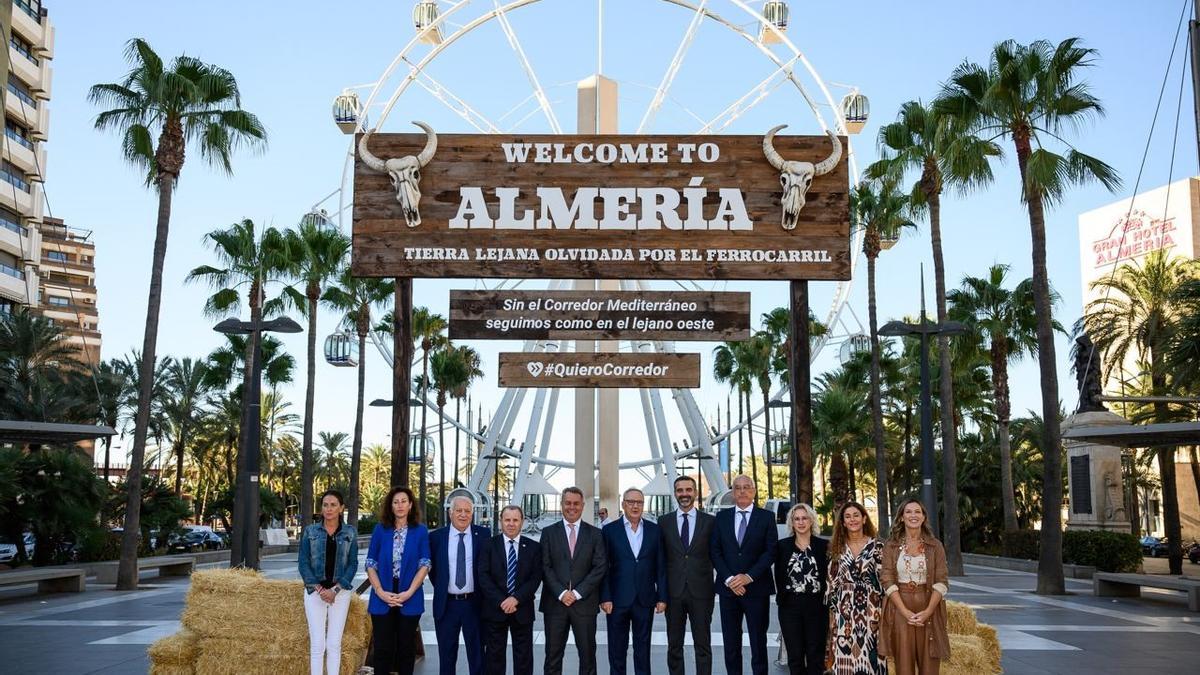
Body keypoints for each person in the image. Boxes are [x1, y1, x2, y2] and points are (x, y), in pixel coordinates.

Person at [710, 475, 777, 675]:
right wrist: (730, 579)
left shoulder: (766, 517)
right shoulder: (721, 518)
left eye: (746, 487)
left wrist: (748, 577)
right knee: (731, 643)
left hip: (757, 589)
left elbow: (771, 551)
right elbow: (715, 551)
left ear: (754, 490)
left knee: (758, 642)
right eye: (737, 488)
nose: (742, 491)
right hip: (728, 590)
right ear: (732, 492)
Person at [540, 486, 608, 675]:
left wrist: (577, 593)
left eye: (576, 503)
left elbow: (600, 567)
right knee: (552, 658)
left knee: (587, 658)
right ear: (562, 504)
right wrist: (562, 593)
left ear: (583, 506)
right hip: (555, 605)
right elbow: (545, 567)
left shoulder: (595, 534)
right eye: (568, 503)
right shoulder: (548, 533)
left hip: (584, 605)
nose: (572, 507)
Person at [599, 487, 667, 675]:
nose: (635, 506)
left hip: (645, 600)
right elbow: (603, 567)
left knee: (643, 650)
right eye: (631, 502)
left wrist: (662, 597)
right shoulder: (610, 531)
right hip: (617, 600)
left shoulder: (654, 530)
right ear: (623, 504)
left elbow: (660, 566)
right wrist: (605, 597)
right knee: (616, 651)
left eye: (639, 502)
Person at [879, 499, 951, 675]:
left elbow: (942, 581)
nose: (913, 515)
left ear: (924, 517)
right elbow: (887, 579)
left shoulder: (935, 546)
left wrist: (928, 611)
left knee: (930, 665)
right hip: (900, 609)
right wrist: (904, 611)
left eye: (917, 512)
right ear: (901, 517)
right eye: (908, 512)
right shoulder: (891, 545)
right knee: (903, 665)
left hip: (929, 606)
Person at [365, 486, 431, 675]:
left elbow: (425, 564)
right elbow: (371, 563)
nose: (400, 505)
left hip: (409, 596)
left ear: (410, 505)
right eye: (396, 502)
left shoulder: (420, 531)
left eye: (404, 501)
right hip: (382, 595)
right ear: (391, 506)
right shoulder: (380, 530)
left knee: (406, 649)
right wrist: (379, 591)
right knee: (383, 650)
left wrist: (409, 592)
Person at [298, 490, 359, 675]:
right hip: (315, 593)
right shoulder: (310, 531)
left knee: (334, 643)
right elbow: (303, 562)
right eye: (325, 505)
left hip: (339, 594)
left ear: (341, 508)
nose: (329, 509)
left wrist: (336, 589)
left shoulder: (350, 532)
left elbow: (353, 563)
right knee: (317, 644)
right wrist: (319, 588)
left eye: (333, 505)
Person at [660, 475, 716, 675]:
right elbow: (660, 559)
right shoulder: (663, 522)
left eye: (688, 490)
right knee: (674, 645)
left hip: (701, 593)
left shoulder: (710, 522)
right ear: (675, 493)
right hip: (673, 594)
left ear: (695, 492)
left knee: (703, 645)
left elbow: (717, 554)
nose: (684, 494)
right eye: (680, 490)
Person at [429, 496, 491, 675]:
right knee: (447, 657)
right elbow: (434, 572)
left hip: (475, 604)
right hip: (447, 605)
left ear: (472, 513)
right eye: (459, 510)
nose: (463, 515)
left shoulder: (484, 535)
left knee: (478, 656)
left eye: (467, 511)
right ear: (450, 513)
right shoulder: (436, 537)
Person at [478, 505, 542, 675]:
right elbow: (483, 576)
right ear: (500, 522)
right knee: (494, 657)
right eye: (507, 520)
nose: (511, 524)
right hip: (494, 609)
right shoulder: (488, 545)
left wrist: (516, 599)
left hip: (522, 609)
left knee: (524, 658)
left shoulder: (534, 547)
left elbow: (535, 578)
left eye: (515, 520)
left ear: (523, 522)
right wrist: (502, 601)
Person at [825, 500, 885, 675]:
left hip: (872, 611)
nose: (852, 520)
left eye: (856, 515)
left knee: (871, 658)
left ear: (864, 519)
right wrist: (831, 616)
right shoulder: (835, 548)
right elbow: (831, 584)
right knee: (844, 660)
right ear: (843, 522)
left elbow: (885, 581)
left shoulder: (877, 546)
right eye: (848, 517)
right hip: (843, 613)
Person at [773, 503, 828, 675]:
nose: (801, 522)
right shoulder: (782, 546)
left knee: (815, 655)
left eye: (804, 518)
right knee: (795, 656)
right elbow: (779, 576)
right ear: (792, 523)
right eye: (797, 519)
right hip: (790, 606)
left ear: (811, 521)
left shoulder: (824, 546)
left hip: (817, 606)